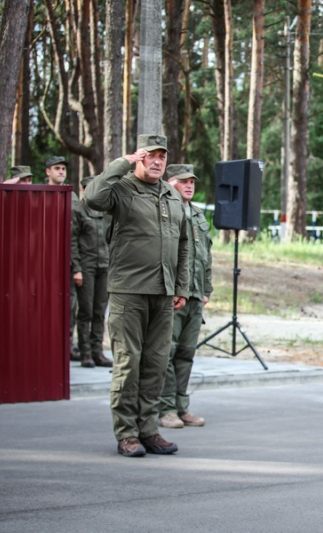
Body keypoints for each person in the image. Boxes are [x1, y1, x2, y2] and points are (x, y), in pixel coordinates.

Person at [85, 134, 190, 457]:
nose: (157, 161)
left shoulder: (171, 195)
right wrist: (122, 162)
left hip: (163, 292)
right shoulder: (121, 188)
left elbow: (184, 245)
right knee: (128, 364)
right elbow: (92, 198)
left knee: (156, 364)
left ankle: (148, 430)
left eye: (162, 156)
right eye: (150, 155)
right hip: (128, 291)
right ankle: (127, 434)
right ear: (140, 157)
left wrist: (181, 286)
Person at [158, 164, 213, 428]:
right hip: (173, 296)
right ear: (170, 183)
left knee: (186, 354)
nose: (189, 185)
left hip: (195, 296)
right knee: (166, 354)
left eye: (192, 182)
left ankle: (182, 407)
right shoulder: (164, 211)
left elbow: (206, 257)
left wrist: (206, 290)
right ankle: (165, 408)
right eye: (183, 181)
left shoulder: (198, 215)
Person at [71, 176, 113, 369]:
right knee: (85, 312)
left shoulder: (105, 211)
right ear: (83, 191)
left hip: (104, 267)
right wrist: (77, 269)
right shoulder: (78, 211)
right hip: (86, 267)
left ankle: (98, 353)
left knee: (99, 312)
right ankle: (85, 353)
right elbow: (72, 242)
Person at [45, 155, 82, 361]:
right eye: (57, 168)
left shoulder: (72, 196)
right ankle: (48, 344)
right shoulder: (40, 193)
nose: (61, 172)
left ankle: (68, 345)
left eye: (63, 169)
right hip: (46, 262)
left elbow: (76, 233)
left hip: (68, 260)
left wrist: (77, 265)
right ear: (48, 172)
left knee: (70, 305)